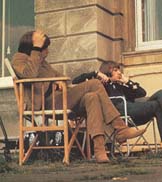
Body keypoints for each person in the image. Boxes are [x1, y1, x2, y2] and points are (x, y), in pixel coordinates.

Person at [11, 30, 145, 163]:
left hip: (60, 99)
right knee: (95, 83)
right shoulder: (19, 58)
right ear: (34, 46)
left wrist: (58, 81)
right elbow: (29, 74)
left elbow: (63, 78)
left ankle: (99, 151)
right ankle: (120, 129)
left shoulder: (42, 62)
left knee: (92, 97)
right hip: (47, 103)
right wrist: (36, 49)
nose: (47, 51)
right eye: (45, 47)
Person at [72, 61, 162, 157]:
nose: (119, 72)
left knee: (161, 93)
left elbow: (142, 93)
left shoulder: (122, 86)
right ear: (107, 71)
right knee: (158, 106)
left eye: (119, 70)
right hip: (118, 112)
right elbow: (76, 81)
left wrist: (127, 81)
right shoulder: (101, 84)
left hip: (132, 112)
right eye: (116, 70)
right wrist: (95, 74)